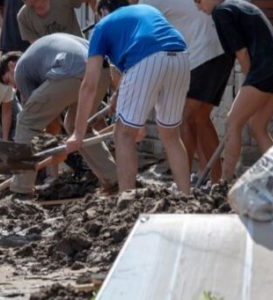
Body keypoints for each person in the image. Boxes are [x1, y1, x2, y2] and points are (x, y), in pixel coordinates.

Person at [64, 1, 192, 194]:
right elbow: (140, 47)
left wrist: (78, 132)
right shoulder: (146, 10)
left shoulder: (102, 27)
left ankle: (127, 201)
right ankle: (186, 196)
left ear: (103, 11)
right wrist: (117, 94)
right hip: (180, 57)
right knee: (171, 135)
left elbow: (90, 84)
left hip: (145, 58)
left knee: (123, 134)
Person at [0, 33, 119, 197]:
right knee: (77, 126)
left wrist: (52, 148)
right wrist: (54, 147)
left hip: (69, 71)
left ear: (11, 66)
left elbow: (42, 121)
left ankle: (22, 190)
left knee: (26, 122)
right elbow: (53, 122)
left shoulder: (20, 70)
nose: (13, 87)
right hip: (100, 72)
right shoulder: (41, 57)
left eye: (7, 81)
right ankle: (114, 179)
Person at [132, 0, 234, 183]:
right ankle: (215, 180)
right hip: (220, 51)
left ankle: (183, 182)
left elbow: (142, 40)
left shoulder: (146, 3)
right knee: (200, 118)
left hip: (204, 52)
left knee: (186, 117)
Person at [196, 0, 273, 182]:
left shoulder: (221, 12)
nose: (199, 8)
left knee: (233, 122)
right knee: (258, 128)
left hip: (264, 70)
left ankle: (224, 183)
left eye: (198, 1)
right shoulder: (238, 5)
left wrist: (249, 81)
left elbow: (241, 53)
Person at [18, 0, 96, 42]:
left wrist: (100, 24)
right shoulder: (23, 17)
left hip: (78, 52)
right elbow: (36, 48)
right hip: (51, 63)